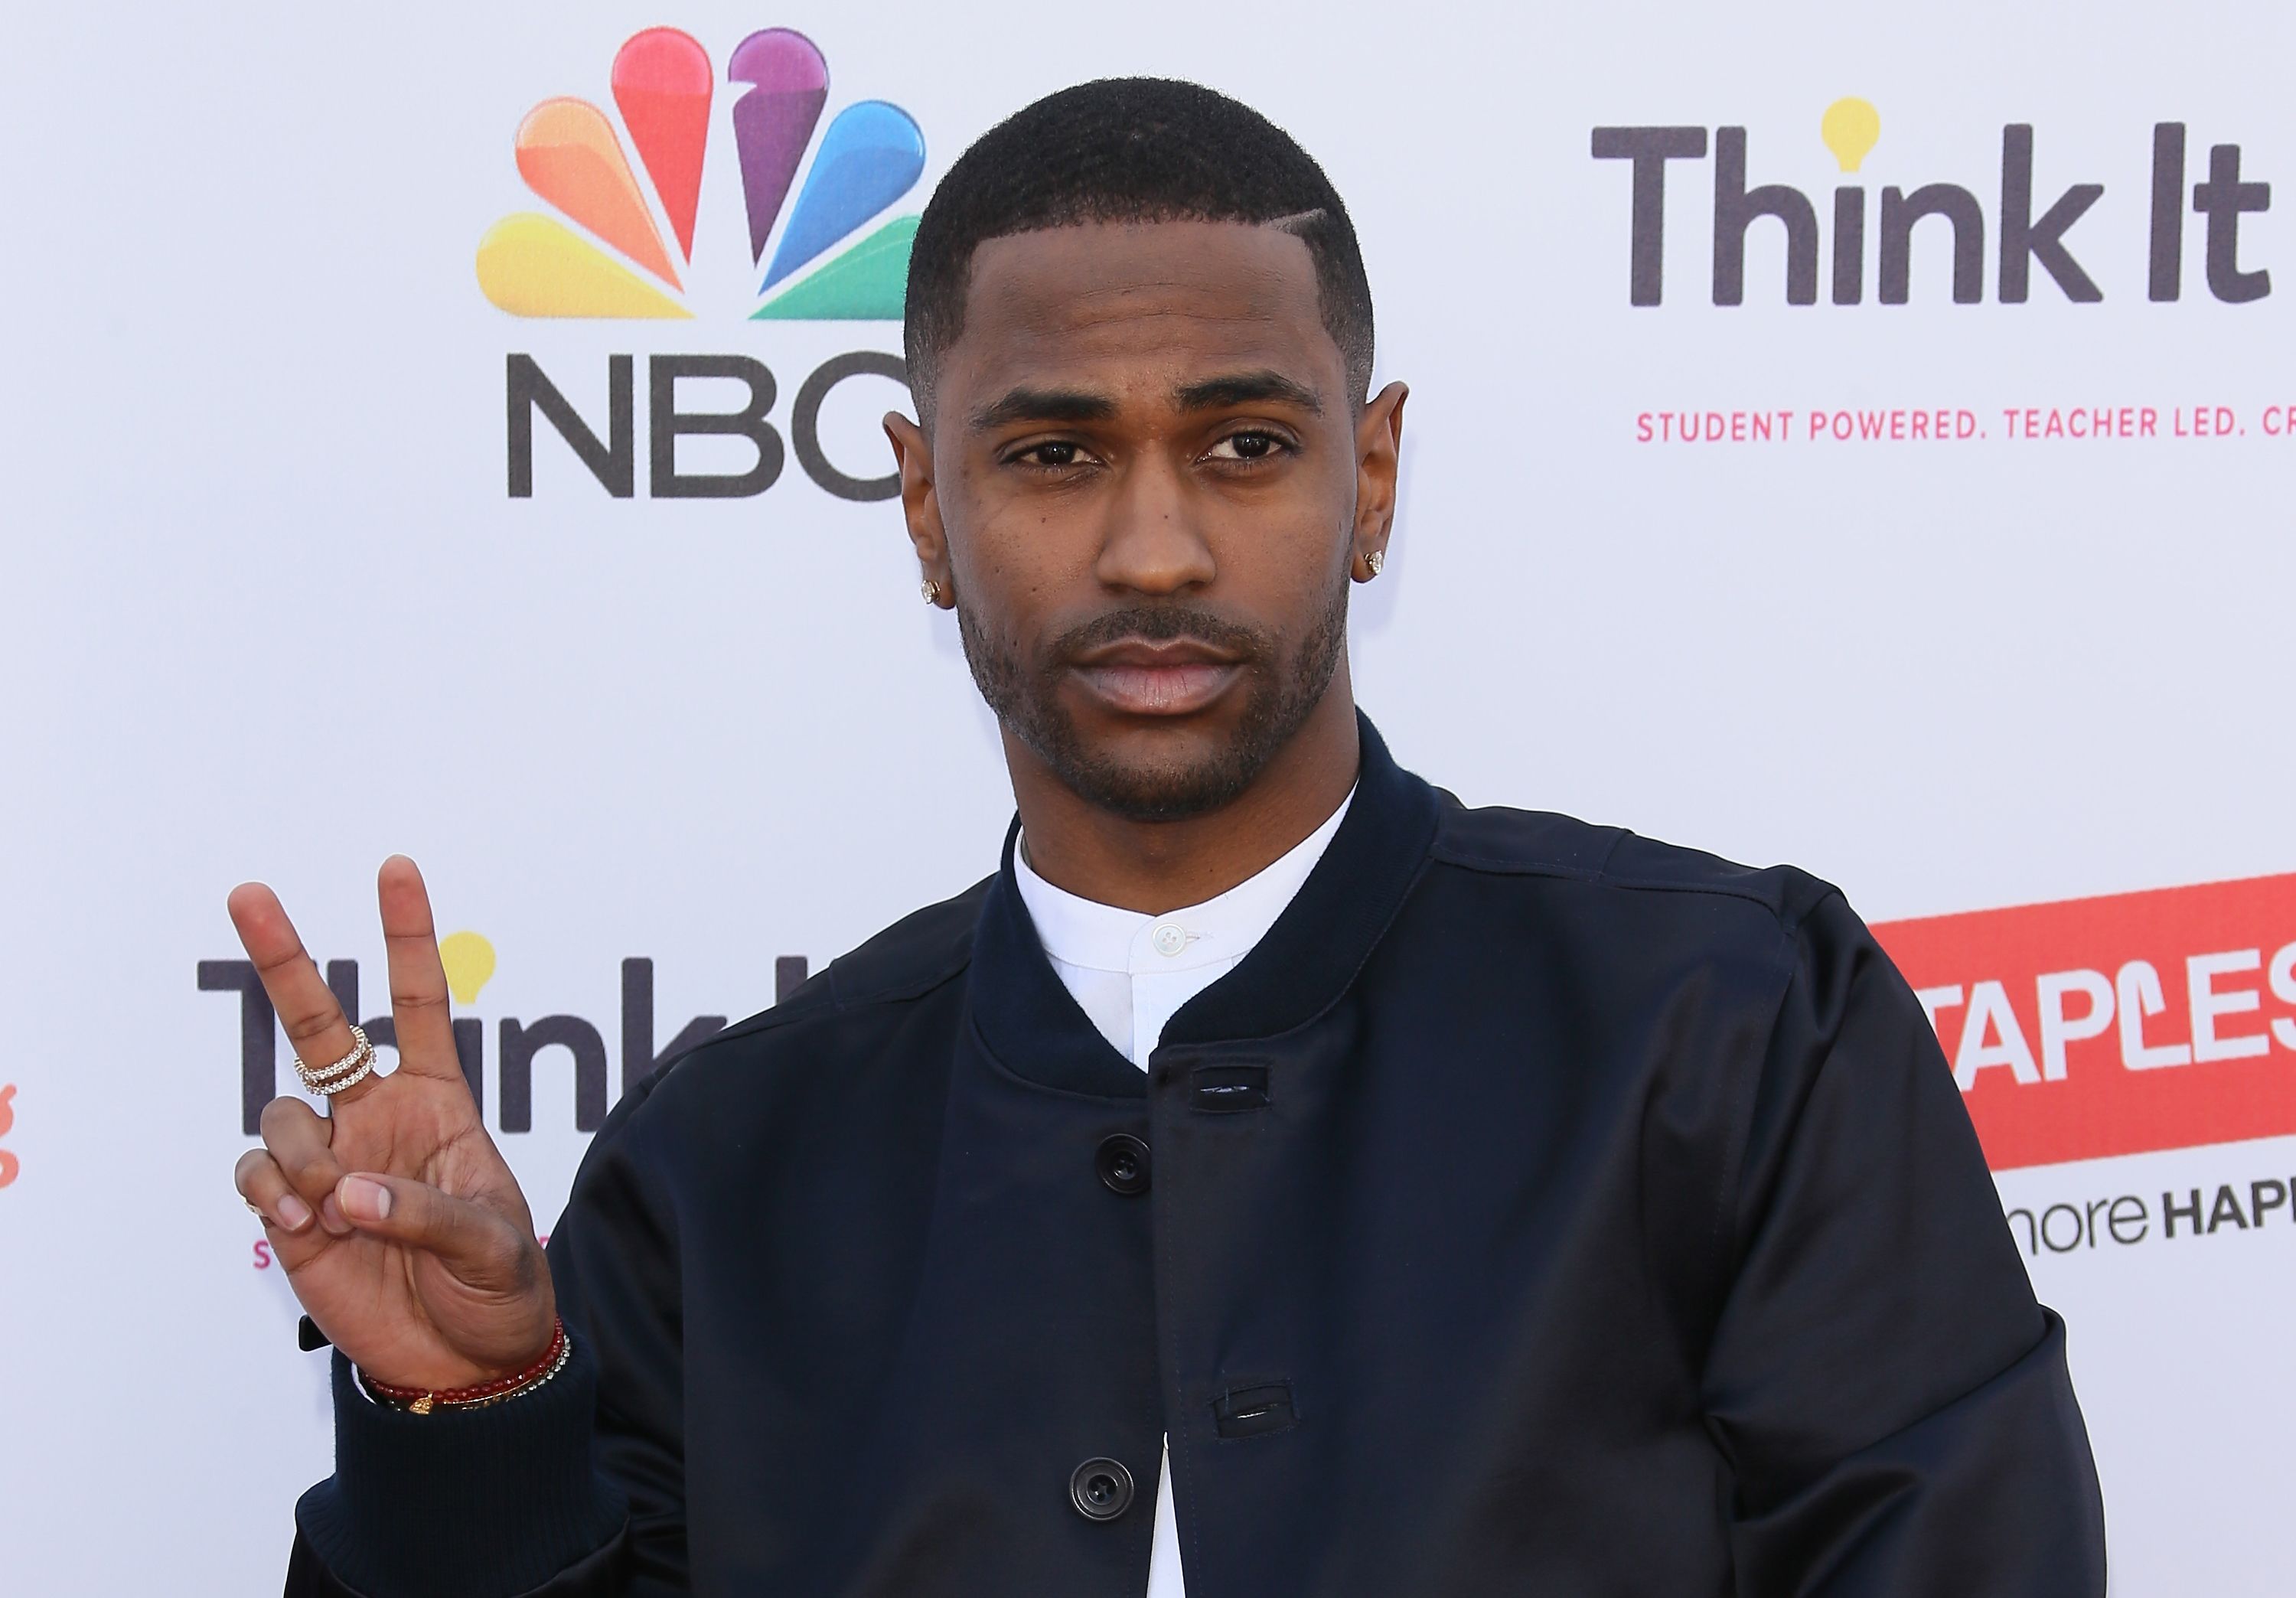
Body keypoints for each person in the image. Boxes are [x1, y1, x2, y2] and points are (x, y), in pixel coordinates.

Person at [232, 78, 2105, 1598]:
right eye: (1053, 455)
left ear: (1372, 481)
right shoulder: (724, 1170)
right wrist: (471, 1422)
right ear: (926, 510)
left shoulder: (1737, 1031)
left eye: (1245, 445)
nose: (1153, 549)